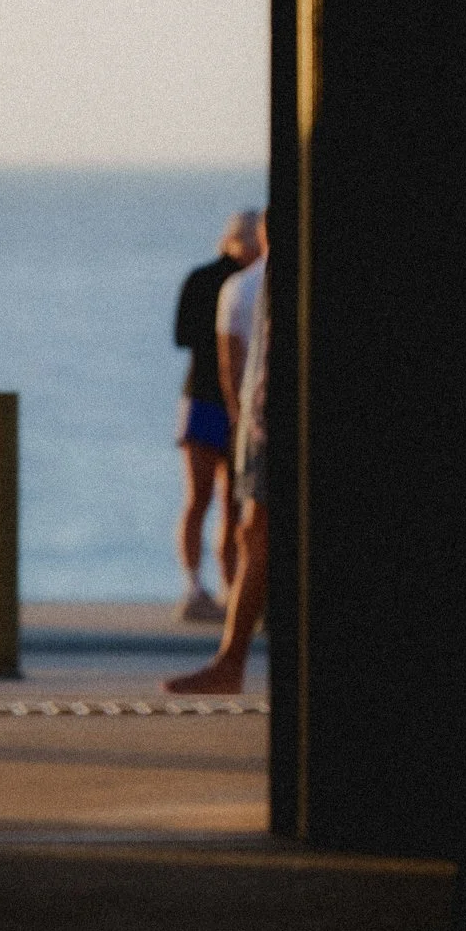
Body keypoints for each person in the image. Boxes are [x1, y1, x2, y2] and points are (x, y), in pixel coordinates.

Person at [167, 234, 270, 694]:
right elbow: (204, 346)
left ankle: (228, 599)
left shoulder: (243, 284)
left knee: (237, 513)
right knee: (212, 502)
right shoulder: (229, 283)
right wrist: (238, 414)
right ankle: (198, 588)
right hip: (219, 405)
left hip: (235, 409)